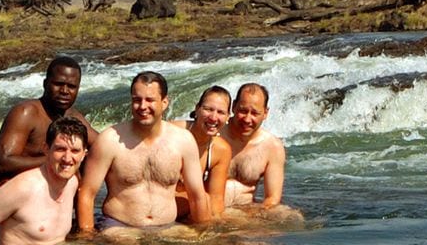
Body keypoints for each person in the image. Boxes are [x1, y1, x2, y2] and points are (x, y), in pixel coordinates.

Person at [76, 71, 211, 233]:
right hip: (119, 227)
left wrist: (204, 236)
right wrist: (86, 235)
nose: (142, 106)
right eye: (136, 100)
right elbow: (87, 193)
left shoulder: (183, 140)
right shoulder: (109, 140)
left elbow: (197, 196)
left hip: (168, 227)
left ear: (165, 102)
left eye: (150, 100)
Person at [0, 116, 89, 245]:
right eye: (60, 149)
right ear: (46, 149)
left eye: (75, 151)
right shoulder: (20, 189)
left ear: (84, 154)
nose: (67, 158)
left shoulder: (73, 183)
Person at [0, 56, 94, 210]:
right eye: (58, 84)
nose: (64, 91)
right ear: (45, 84)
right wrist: (53, 159)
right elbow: (3, 163)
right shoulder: (26, 113)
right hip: (0, 198)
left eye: (71, 86)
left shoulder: (72, 116)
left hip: (39, 197)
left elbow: (102, 145)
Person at [223, 82, 286, 211]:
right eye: (243, 111)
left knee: (289, 215)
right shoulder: (214, 136)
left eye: (255, 113)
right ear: (233, 107)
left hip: (247, 212)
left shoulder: (272, 147)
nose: (247, 119)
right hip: (212, 210)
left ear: (265, 113)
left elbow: (272, 199)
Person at [175, 85, 233, 222]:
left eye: (220, 112)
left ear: (228, 117)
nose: (213, 117)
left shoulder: (221, 150)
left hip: (185, 212)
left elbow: (216, 200)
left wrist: (216, 232)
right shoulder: (172, 132)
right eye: (208, 109)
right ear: (197, 109)